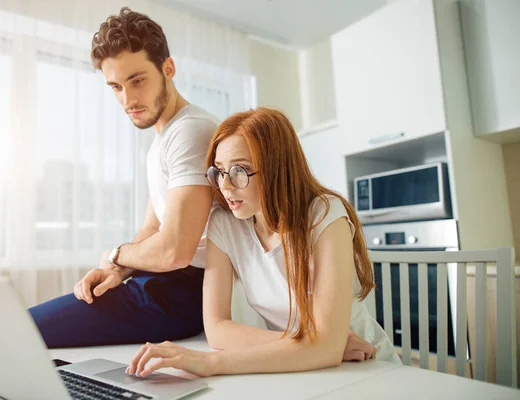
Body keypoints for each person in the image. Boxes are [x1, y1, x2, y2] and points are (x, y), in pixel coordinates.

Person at [29, 8, 376, 359]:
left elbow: (174, 249)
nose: (127, 99)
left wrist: (114, 253)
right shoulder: (166, 146)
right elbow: (153, 226)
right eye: (116, 87)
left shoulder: (190, 131)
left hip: (177, 288)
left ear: (168, 68)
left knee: (29, 328)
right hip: (164, 282)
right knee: (41, 336)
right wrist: (115, 270)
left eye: (137, 80)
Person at [125, 108, 401, 378]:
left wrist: (212, 363)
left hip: (367, 367)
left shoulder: (325, 215)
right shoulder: (225, 224)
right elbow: (218, 329)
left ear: (276, 168)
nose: (225, 186)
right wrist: (308, 344)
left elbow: (327, 349)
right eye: (219, 171)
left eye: (240, 171)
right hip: (297, 367)